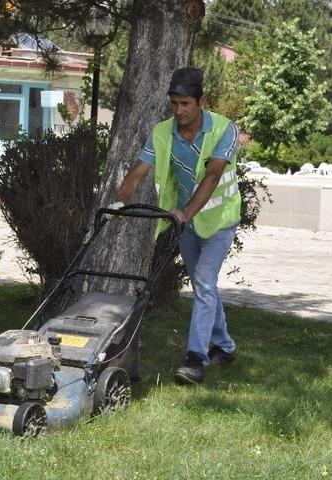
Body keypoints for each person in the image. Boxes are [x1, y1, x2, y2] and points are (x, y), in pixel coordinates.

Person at [108, 67, 241, 385]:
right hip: (187, 223)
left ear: (201, 101)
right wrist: (119, 203)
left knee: (204, 282)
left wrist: (185, 214)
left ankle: (195, 360)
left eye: (185, 104)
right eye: (174, 103)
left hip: (220, 220)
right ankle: (225, 346)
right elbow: (139, 171)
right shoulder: (162, 132)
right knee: (203, 285)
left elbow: (212, 176)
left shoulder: (224, 130)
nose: (178, 111)